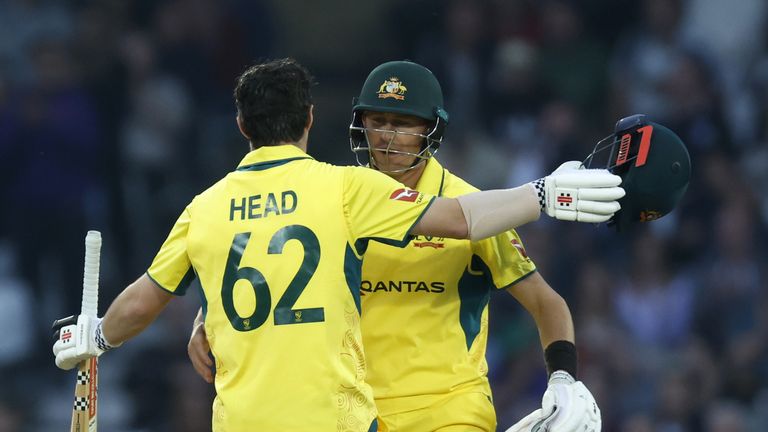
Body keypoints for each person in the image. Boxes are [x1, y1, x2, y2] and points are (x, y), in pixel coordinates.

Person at [53, 58, 622, 431]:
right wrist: (211, 314)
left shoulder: (449, 198)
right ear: (316, 119)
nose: (387, 137)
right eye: (376, 122)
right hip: (361, 413)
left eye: (403, 124)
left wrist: (563, 376)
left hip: (446, 412)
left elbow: (483, 237)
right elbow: (276, 259)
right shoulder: (343, 192)